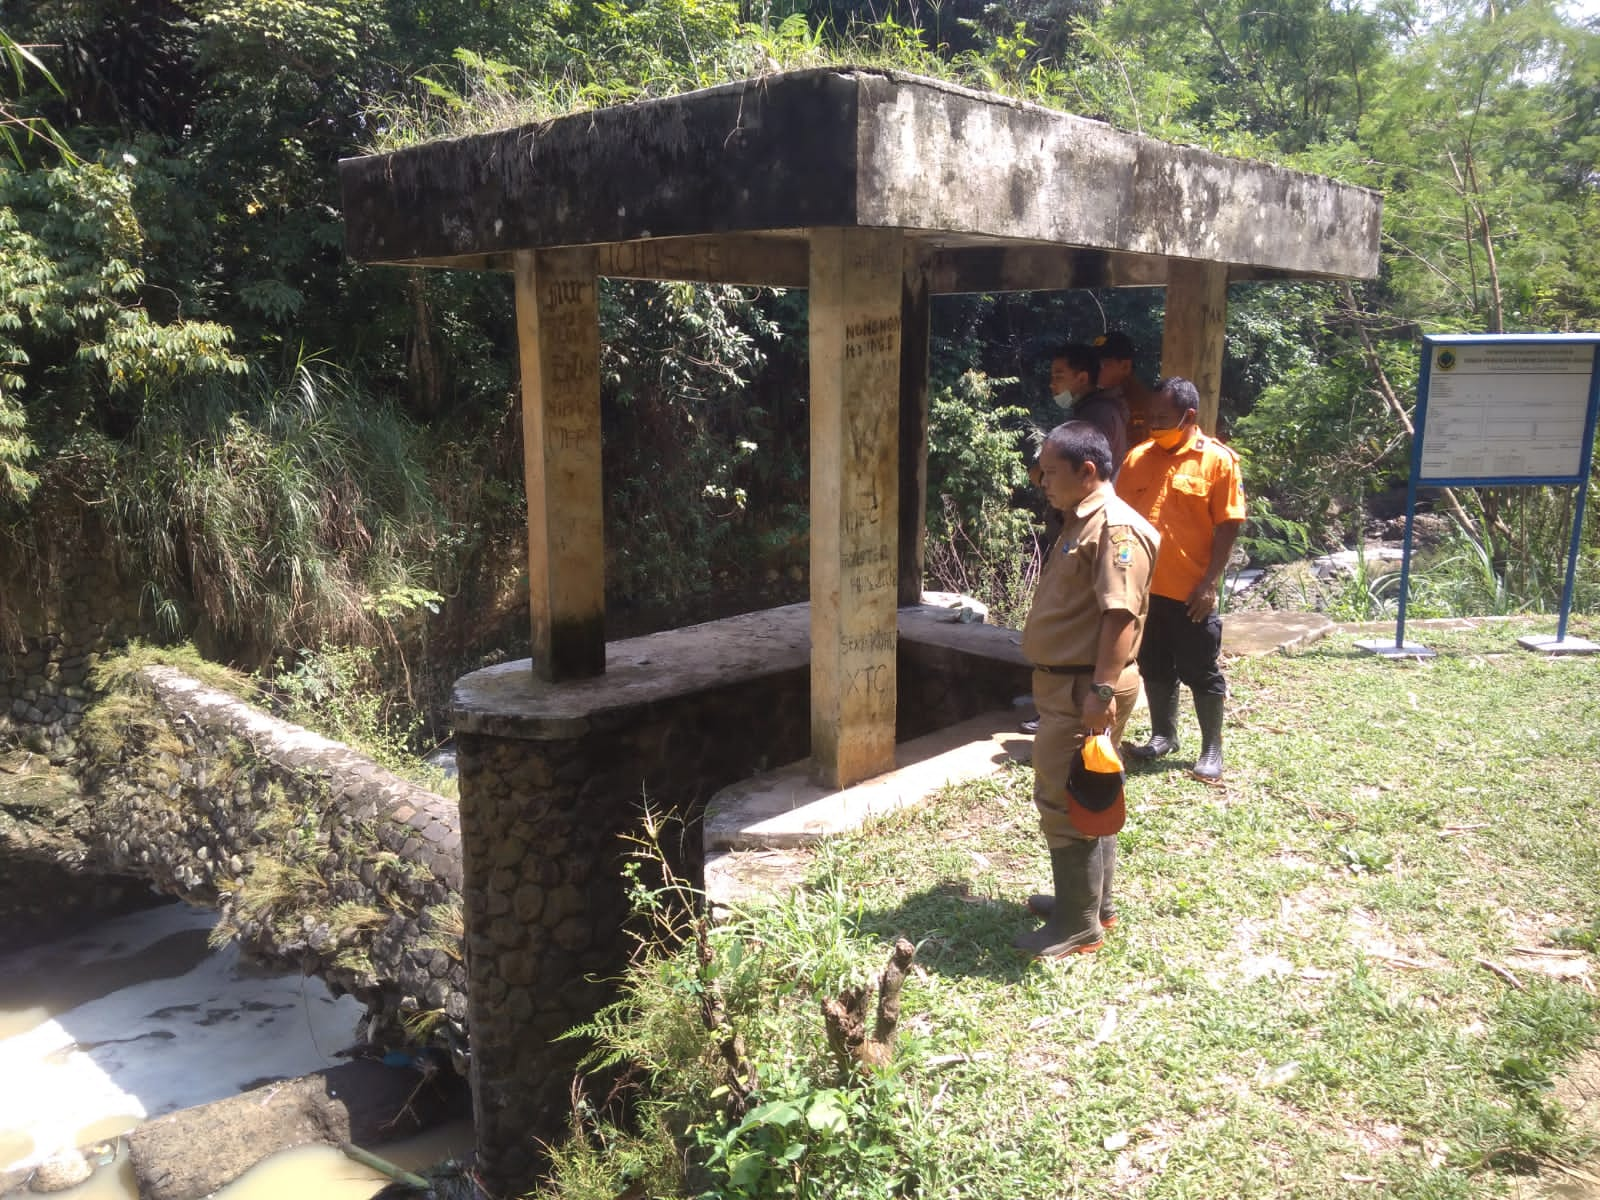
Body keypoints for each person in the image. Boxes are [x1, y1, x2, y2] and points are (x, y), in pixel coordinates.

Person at [1015, 421, 1159, 958]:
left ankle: (1078, 923)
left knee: (1062, 795)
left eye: (1051, 471)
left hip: (1084, 687)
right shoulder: (1083, 521)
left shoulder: (1115, 529)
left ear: (1088, 471)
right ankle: (1092, 902)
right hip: (1072, 683)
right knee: (1090, 786)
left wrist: (1099, 693)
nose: (1042, 481)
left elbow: (1119, 617)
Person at [1115, 377, 1246, 783]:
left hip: (1191, 591)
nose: (1154, 424)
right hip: (1145, 590)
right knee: (1154, 664)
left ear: (1189, 417)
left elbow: (1228, 525)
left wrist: (1209, 584)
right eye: (1150, 416)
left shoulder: (1218, 461)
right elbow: (1121, 521)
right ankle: (1163, 735)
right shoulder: (1137, 457)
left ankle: (1211, 748)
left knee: (1200, 668)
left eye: (1163, 418)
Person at [1049, 343, 1129, 473]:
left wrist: (1042, 476)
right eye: (1052, 377)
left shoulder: (1098, 415)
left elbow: (1084, 472)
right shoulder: (1092, 409)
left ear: (1082, 378)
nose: (1051, 384)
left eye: (1058, 377)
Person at [1093, 331, 1155, 449]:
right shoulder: (1104, 395)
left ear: (1125, 366)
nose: (1095, 369)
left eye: (1103, 364)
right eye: (1094, 363)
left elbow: (1137, 449)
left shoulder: (1136, 401)